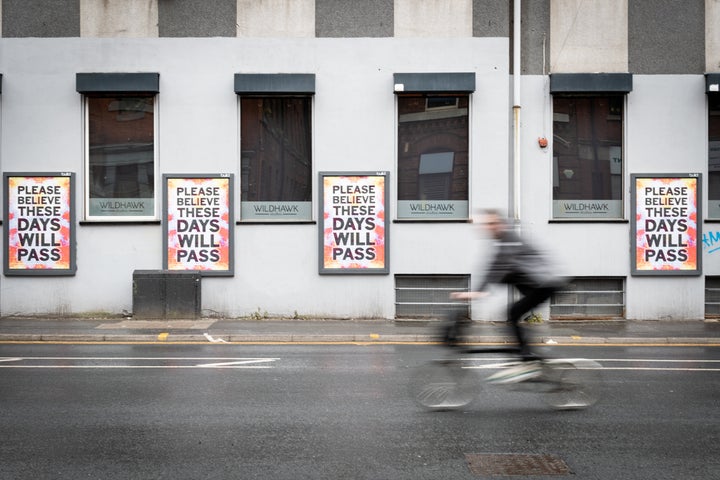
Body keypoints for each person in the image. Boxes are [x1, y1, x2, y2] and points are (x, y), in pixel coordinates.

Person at [451, 209, 567, 383]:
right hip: (535, 285)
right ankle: (525, 355)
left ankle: (526, 358)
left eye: (493, 223)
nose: (489, 227)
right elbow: (490, 269)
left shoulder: (510, 242)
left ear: (501, 224)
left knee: (512, 312)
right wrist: (474, 292)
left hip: (544, 284)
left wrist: (476, 293)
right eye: (487, 224)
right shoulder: (502, 244)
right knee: (513, 314)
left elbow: (499, 268)